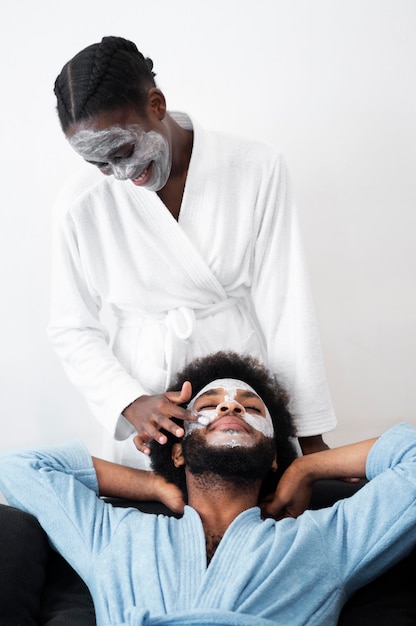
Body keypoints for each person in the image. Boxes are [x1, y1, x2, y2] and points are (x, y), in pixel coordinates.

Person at [48, 35, 336, 468]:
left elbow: (287, 309)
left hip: (237, 392)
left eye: (124, 150)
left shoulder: (256, 167)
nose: (121, 174)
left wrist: (310, 443)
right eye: (100, 164)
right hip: (146, 406)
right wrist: (128, 401)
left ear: (156, 104)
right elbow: (71, 327)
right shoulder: (80, 204)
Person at [1, 351, 416, 626]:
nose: (231, 407)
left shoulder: (324, 541)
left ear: (273, 455)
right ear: (178, 452)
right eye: (210, 405)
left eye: (251, 409)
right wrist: (150, 484)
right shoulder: (113, 535)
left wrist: (306, 466)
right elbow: (20, 468)